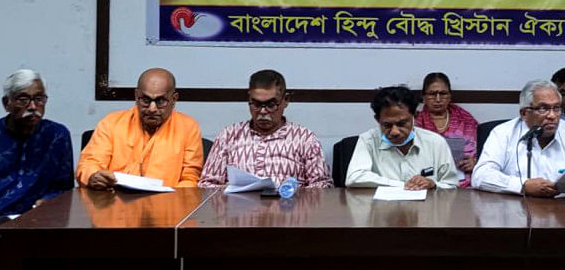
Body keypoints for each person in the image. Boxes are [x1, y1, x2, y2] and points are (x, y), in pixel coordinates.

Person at [472, 80, 565, 197]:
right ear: (524, 113)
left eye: (557, 108)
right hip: (517, 213)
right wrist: (523, 185)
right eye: (543, 108)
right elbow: (481, 176)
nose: (552, 116)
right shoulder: (503, 134)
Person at [199, 70, 332, 188]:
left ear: (286, 100)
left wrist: (294, 197)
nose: (263, 111)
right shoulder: (229, 136)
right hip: (239, 207)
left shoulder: (304, 138)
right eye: (256, 104)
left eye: (271, 104)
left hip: (289, 206)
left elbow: (321, 186)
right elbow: (207, 184)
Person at [76, 68, 203, 189]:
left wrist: (170, 199)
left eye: (160, 101)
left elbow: (190, 178)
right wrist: (92, 176)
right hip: (114, 199)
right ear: (136, 96)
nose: (152, 109)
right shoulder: (111, 123)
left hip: (168, 201)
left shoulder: (188, 127)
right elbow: (89, 164)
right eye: (146, 100)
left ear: (174, 99)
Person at [0, 69, 73, 220]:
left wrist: (49, 201)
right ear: (6, 103)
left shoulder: (57, 135)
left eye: (39, 99)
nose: (33, 106)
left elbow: (63, 188)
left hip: (37, 219)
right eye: (23, 99)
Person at [346, 85, 459, 189]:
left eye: (401, 124)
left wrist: (433, 185)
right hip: (382, 205)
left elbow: (452, 185)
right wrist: (404, 185)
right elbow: (354, 178)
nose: (394, 132)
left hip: (427, 204)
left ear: (415, 117)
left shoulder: (436, 142)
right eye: (387, 125)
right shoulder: (368, 140)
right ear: (377, 120)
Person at [414, 72, 478, 188]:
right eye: (432, 94)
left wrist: (475, 162)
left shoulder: (466, 120)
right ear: (424, 97)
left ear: (450, 96)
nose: (438, 99)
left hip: (465, 182)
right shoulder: (415, 123)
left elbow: (485, 153)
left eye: (443, 94)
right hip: (426, 182)